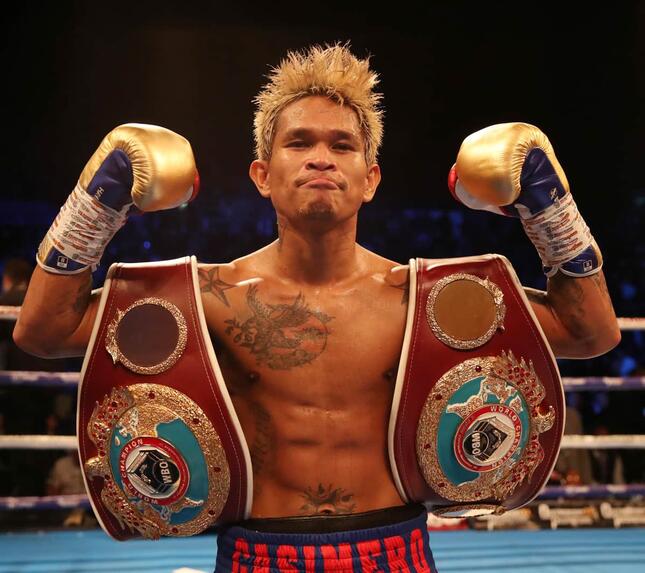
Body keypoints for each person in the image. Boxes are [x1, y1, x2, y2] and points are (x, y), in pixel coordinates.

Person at [14, 43, 621, 571]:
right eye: (299, 141)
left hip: (396, 549)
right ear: (262, 174)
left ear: (371, 177)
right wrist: (98, 204)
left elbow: (591, 332)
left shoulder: (424, 298)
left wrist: (548, 205)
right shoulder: (209, 297)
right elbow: (43, 332)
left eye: (342, 144)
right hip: (258, 552)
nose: (321, 157)